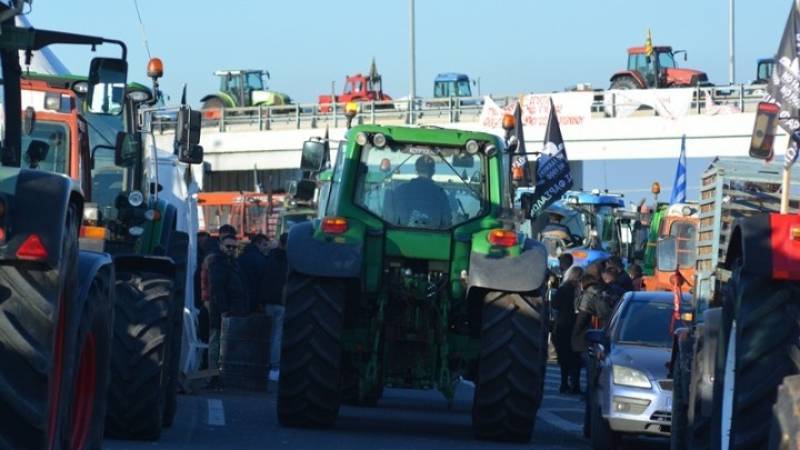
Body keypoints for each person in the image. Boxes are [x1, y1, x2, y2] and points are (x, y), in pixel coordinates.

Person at [207, 233, 250, 386]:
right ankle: (213, 377)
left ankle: (223, 376)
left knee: (227, 345)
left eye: (234, 247)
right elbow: (217, 289)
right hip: (222, 311)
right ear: (221, 246)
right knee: (217, 344)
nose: (231, 249)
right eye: (228, 246)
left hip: (234, 310)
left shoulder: (233, 263)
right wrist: (223, 310)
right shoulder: (218, 263)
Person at [391, 154, 451, 228]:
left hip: (400, 233)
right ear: (433, 172)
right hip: (433, 234)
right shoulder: (441, 194)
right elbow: (446, 221)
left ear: (416, 171)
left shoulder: (400, 190)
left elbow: (391, 216)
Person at [262, 232, 289, 382]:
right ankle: (274, 367)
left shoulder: (269, 257)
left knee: (268, 334)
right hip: (280, 302)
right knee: (277, 336)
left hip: (267, 301)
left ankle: (265, 365)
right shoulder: (289, 261)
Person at [553, 266, 583, 394]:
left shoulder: (562, 289)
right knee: (575, 357)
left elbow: (554, 306)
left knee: (564, 357)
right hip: (576, 326)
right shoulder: (579, 291)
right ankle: (575, 385)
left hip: (562, 326)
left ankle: (564, 383)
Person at [238, 233, 269, 313]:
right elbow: (263, 281)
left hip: (241, 296)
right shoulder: (260, 259)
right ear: (257, 244)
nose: (266, 248)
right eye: (264, 245)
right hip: (255, 297)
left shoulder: (240, 257)